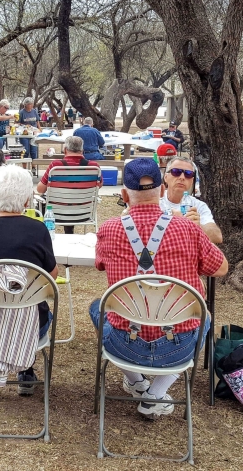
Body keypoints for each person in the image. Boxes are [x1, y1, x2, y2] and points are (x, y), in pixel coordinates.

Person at [92, 158, 229, 419]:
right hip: (179, 345)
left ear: (123, 195)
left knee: (97, 308)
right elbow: (221, 268)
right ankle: (155, 394)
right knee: (204, 318)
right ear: (163, 191)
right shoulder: (188, 228)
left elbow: (100, 264)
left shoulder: (109, 229)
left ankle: (137, 382)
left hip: (125, 345)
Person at [0, 164, 59, 393]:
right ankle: (25, 370)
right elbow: (51, 277)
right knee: (35, 309)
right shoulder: (38, 230)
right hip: (32, 327)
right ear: (27, 201)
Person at [37, 135, 102, 234]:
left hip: (56, 213)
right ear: (82, 150)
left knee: (41, 202)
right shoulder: (94, 167)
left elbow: (40, 190)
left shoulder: (56, 166)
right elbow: (99, 185)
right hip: (84, 213)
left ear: (65, 150)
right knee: (74, 198)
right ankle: (69, 231)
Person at [159, 157, 223, 243]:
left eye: (188, 174)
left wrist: (197, 226)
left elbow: (217, 237)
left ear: (192, 181)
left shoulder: (198, 205)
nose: (182, 177)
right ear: (166, 177)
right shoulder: (155, 201)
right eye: (176, 172)